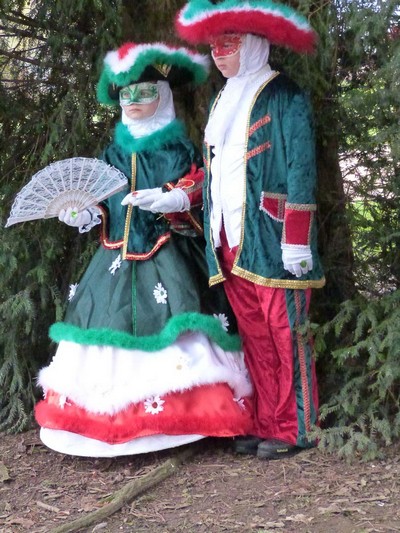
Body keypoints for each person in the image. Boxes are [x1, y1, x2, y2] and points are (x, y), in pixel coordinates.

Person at [34, 41, 253, 457]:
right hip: (113, 259)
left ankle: (185, 419)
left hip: (170, 257)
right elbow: (102, 199)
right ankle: (107, 422)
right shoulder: (112, 153)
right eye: (127, 94)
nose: (134, 101)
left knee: (182, 325)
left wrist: (175, 198)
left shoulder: (179, 148)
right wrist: (87, 215)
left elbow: (203, 184)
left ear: (164, 96)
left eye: (146, 92)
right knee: (104, 327)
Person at [175, 0, 325, 459]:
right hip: (228, 239)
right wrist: (181, 196)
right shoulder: (222, 100)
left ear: (255, 45)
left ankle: (298, 427)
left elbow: (302, 167)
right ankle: (266, 421)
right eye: (215, 47)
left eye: (229, 44)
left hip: (274, 236)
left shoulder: (284, 95)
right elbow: (216, 169)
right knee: (256, 335)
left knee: (286, 333)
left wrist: (297, 236)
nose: (219, 54)